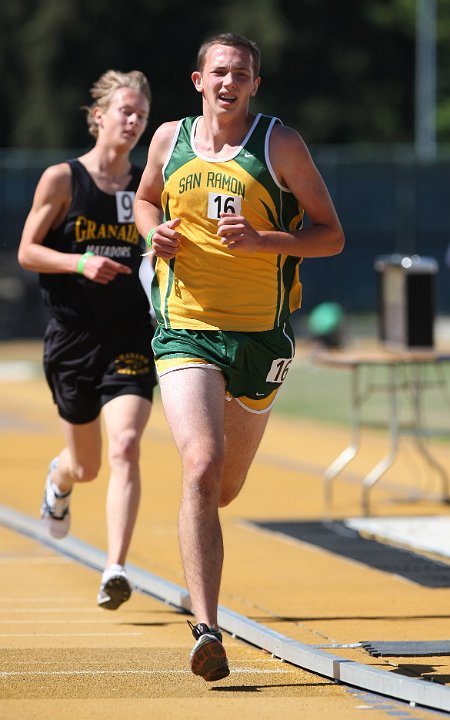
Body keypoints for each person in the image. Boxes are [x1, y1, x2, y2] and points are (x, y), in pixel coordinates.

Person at [134, 33, 344, 681]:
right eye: (220, 72)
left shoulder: (278, 144)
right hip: (184, 327)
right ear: (199, 79)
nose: (230, 82)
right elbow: (144, 200)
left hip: (260, 337)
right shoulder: (169, 139)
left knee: (223, 487)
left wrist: (264, 241)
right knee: (200, 465)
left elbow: (330, 235)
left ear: (255, 85)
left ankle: (204, 552)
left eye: (242, 74)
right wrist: (154, 233)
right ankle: (207, 628)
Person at [18, 69, 157, 611]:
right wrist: (80, 261)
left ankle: (115, 568)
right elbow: (28, 251)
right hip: (72, 339)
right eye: (125, 111)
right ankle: (60, 476)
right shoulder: (62, 179)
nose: (133, 121)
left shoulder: (148, 185)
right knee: (88, 465)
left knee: (125, 446)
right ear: (98, 116)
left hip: (129, 335)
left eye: (141, 115)